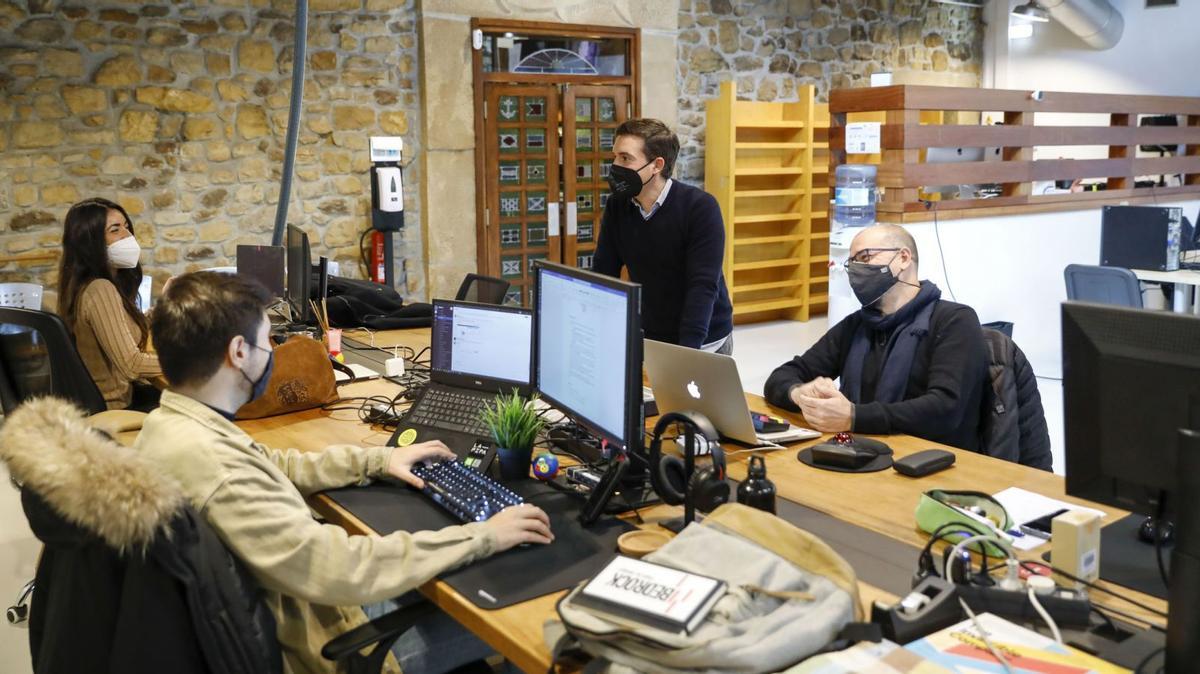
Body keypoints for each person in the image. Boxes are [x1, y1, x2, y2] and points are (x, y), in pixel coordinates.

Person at [136, 271, 554, 674]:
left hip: (301, 609)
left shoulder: (171, 426)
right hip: (325, 650)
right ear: (239, 353)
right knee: (529, 623)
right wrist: (483, 536)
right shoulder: (219, 472)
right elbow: (339, 567)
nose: (274, 353)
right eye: (269, 342)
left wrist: (377, 461)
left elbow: (270, 464)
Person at [764, 224, 987, 451]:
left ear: (903, 258)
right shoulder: (856, 325)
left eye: (866, 257)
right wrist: (799, 394)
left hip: (933, 461)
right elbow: (781, 377)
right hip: (862, 454)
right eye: (852, 263)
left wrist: (854, 416)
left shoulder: (954, 321)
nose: (856, 270)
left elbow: (945, 408)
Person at [593, 118, 734, 353]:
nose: (615, 166)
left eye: (625, 158)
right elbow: (604, 272)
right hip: (651, 335)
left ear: (657, 165)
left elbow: (702, 286)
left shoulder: (700, 208)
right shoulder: (617, 206)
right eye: (615, 156)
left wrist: (686, 354)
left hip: (704, 340)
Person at [57, 197, 163, 411]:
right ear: (90, 241)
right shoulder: (100, 289)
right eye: (115, 230)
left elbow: (118, 330)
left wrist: (160, 311)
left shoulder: (82, 285)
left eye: (126, 226)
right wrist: (192, 362)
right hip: (116, 405)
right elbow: (132, 365)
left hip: (109, 399)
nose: (128, 236)